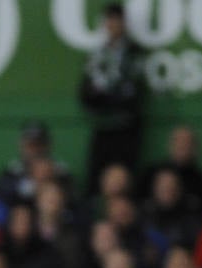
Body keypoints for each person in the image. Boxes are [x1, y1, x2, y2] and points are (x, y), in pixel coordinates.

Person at [77, 3, 145, 195]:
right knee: (95, 179)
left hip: (126, 130)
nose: (113, 25)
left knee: (124, 180)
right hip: (102, 127)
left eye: (117, 21)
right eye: (109, 21)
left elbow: (132, 95)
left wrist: (105, 98)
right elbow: (86, 94)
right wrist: (109, 98)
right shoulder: (97, 55)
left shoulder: (133, 53)